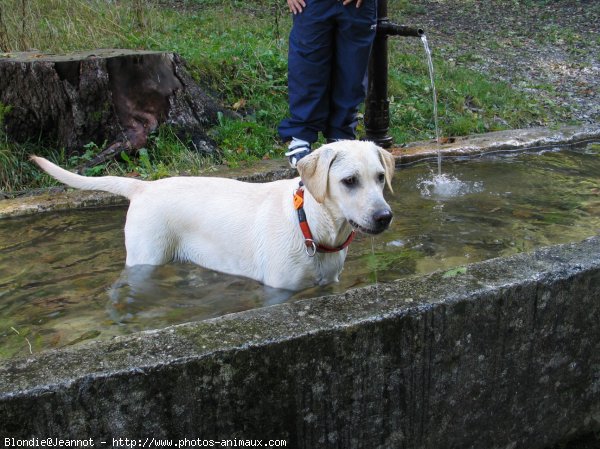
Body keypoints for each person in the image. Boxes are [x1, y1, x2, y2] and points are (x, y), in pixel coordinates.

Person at [279, 0, 378, 167]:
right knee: (307, 68)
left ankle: (341, 137)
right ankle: (302, 136)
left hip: (358, 6)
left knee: (353, 72)